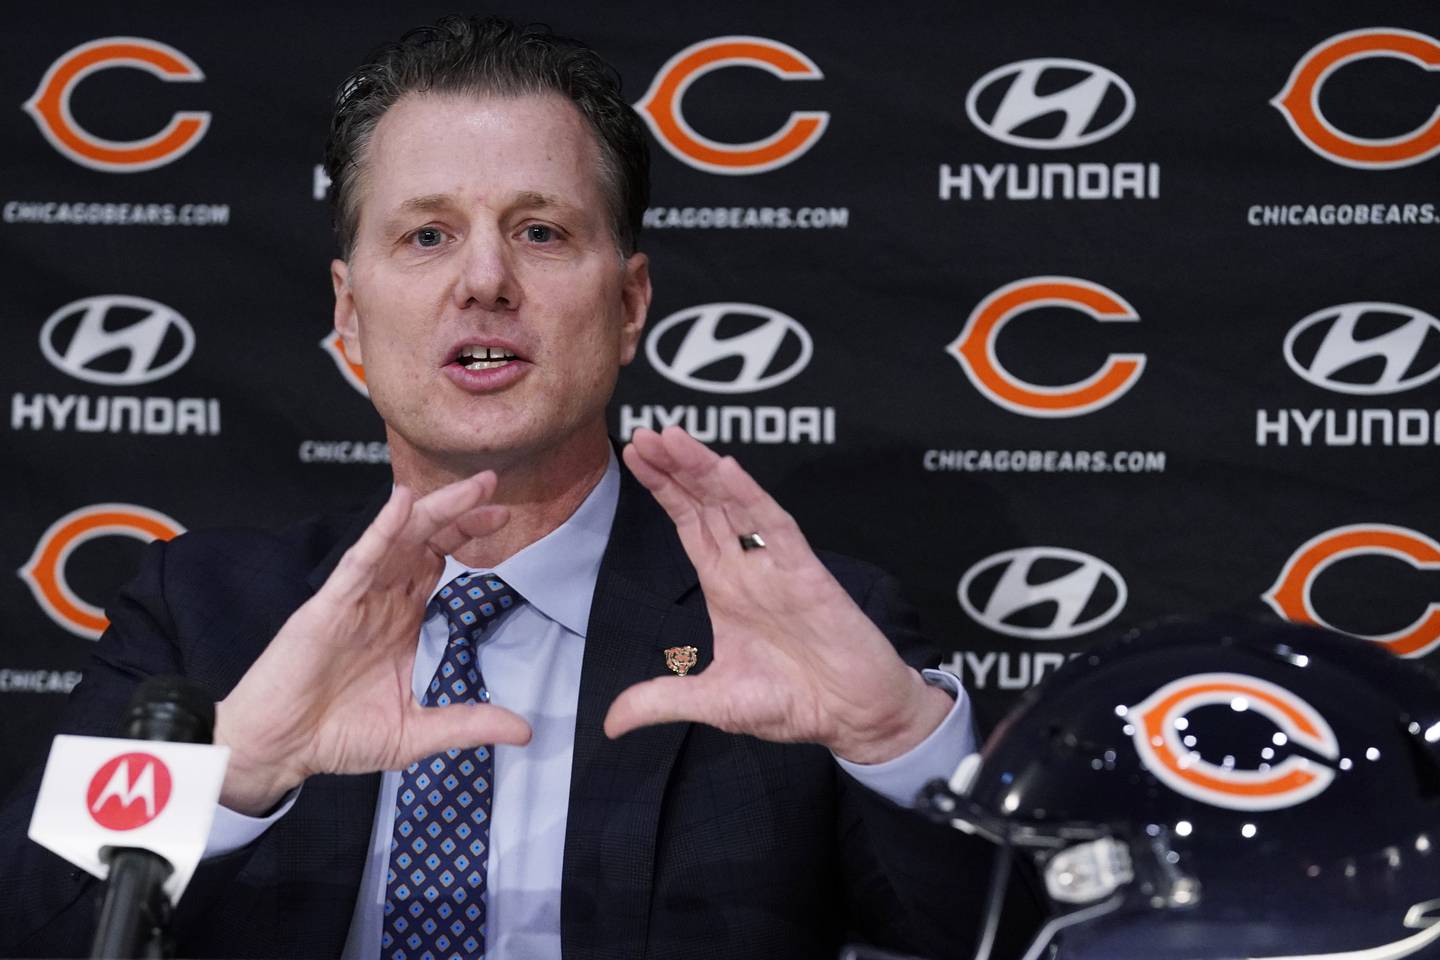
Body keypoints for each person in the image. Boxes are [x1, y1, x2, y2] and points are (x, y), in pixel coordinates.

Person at [0, 16, 997, 959]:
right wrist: (234, 778)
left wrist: (895, 742)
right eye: (426, 236)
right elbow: (31, 928)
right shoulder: (202, 615)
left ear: (630, 304)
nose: (484, 280)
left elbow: (1018, 937)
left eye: (542, 233)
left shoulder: (796, 626)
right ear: (349, 312)